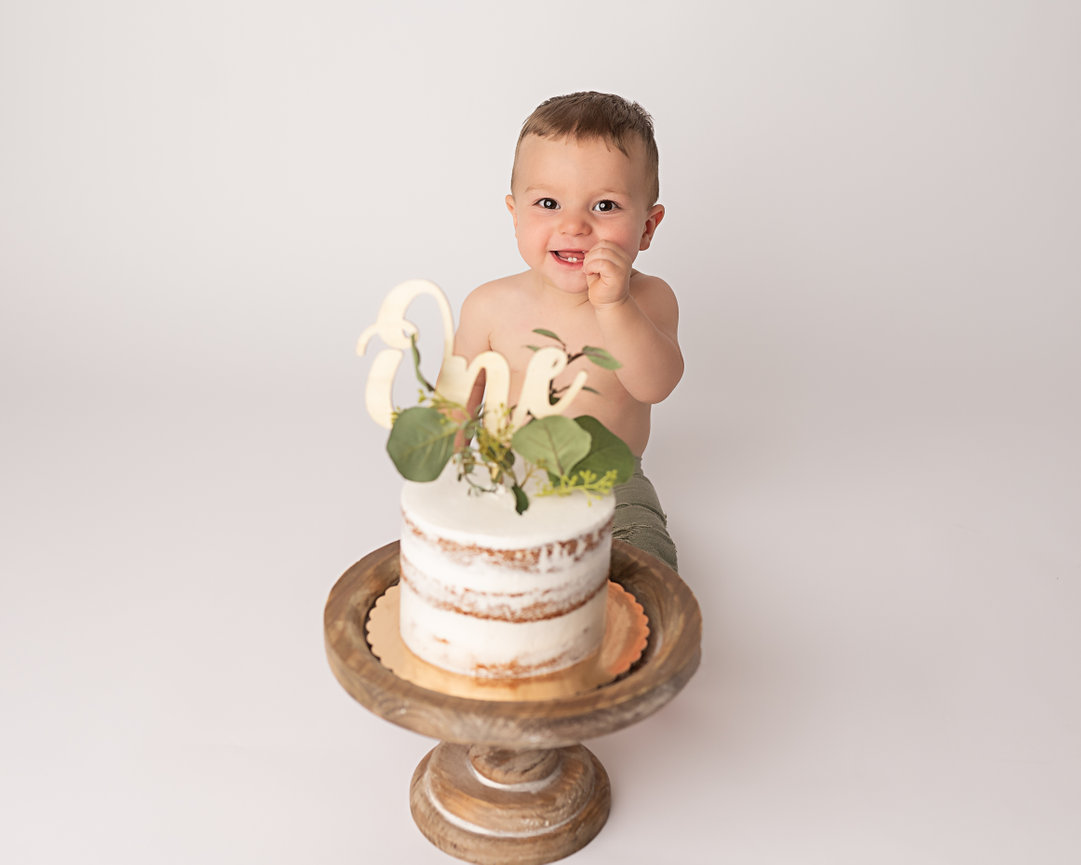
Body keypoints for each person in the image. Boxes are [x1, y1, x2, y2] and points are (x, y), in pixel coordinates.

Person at [452, 91, 683, 571]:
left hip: (610, 480)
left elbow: (655, 385)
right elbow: (457, 406)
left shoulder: (648, 299)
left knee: (645, 552)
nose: (574, 225)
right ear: (516, 215)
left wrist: (614, 305)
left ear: (647, 226)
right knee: (470, 559)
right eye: (549, 203)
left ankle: (625, 606)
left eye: (605, 206)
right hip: (508, 474)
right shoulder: (489, 306)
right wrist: (446, 483)